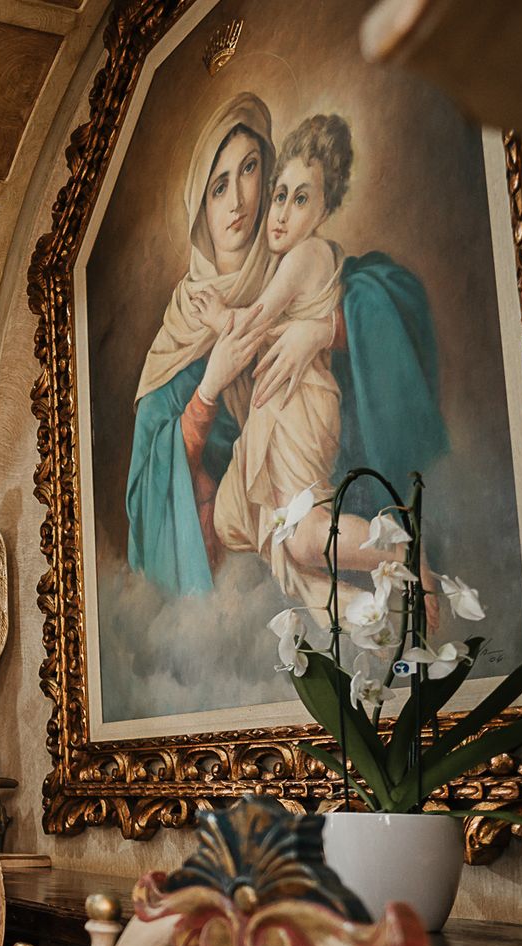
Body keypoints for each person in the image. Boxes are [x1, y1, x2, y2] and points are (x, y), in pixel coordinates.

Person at [124, 93, 450, 601]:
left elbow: (395, 306)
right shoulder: (180, 328)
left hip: (306, 444)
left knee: (303, 534)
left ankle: (393, 562)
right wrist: (207, 393)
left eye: (250, 169)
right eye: (218, 187)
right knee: (266, 529)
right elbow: (153, 481)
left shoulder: (297, 261)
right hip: (244, 564)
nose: (238, 202)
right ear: (199, 211)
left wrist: (326, 331)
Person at [196, 113, 355, 608]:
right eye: (280, 195)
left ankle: (397, 549)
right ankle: (348, 601)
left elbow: (256, 324)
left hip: (300, 409)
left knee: (304, 536)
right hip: (287, 408)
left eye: (301, 198)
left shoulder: (305, 257)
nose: (282, 213)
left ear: (326, 208)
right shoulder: (309, 256)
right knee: (243, 520)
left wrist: (220, 316)